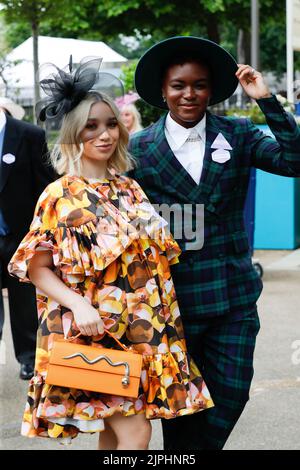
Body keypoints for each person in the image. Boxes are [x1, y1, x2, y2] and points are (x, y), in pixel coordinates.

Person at [8, 57, 213, 449]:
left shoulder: (129, 188)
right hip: (97, 329)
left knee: (112, 430)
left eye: (110, 124)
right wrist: (79, 307)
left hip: (144, 327)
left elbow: (154, 257)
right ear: (72, 134)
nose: (104, 135)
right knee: (135, 431)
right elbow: (36, 268)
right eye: (91, 126)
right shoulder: (60, 194)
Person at [128, 36, 300, 450]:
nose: (189, 94)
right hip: (171, 304)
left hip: (233, 298)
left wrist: (266, 100)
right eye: (178, 86)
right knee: (181, 408)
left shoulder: (239, 134)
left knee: (231, 396)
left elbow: (294, 161)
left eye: (199, 85)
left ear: (211, 89)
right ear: (162, 91)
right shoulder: (139, 149)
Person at [0, 96, 56, 380]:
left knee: (23, 301)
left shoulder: (28, 135)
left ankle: (27, 358)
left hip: (19, 234)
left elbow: (46, 184)